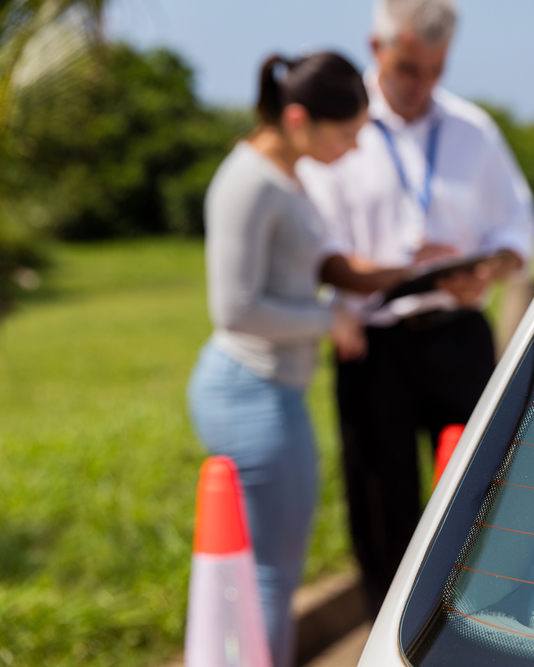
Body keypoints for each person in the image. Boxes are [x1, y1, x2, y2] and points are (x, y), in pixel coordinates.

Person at [297, 0, 534, 616]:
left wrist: (488, 268)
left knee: (483, 486)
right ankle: (389, 626)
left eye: (435, 70)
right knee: (382, 500)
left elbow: (519, 227)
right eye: (409, 69)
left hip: (458, 334)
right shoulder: (338, 129)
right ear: (376, 49)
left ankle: (486, 620)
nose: (422, 85)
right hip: (375, 343)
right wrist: (391, 272)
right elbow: (316, 244)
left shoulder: (473, 129)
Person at [186, 52, 406, 667]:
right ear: (299, 118)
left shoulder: (287, 171)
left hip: (271, 389)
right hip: (248, 390)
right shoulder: (248, 181)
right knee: (269, 578)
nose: (355, 149)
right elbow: (233, 308)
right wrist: (327, 320)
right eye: (347, 135)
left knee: (270, 571)